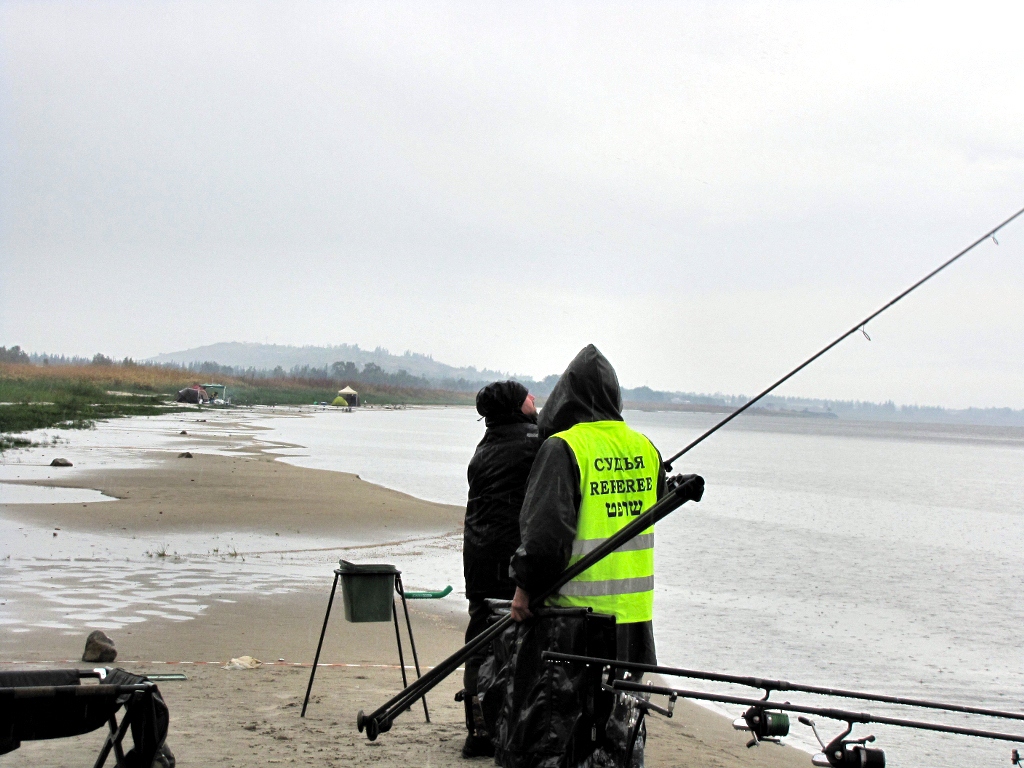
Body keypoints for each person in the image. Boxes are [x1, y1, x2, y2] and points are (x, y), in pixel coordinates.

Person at [509, 345, 669, 765]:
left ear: (566, 396)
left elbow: (545, 539)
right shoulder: (646, 449)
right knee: (622, 734)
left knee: (562, 736)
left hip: (573, 623)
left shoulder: (564, 448)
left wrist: (524, 588)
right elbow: (658, 501)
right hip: (634, 625)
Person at [462, 380, 540, 758]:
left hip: (478, 556)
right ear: (516, 405)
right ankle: (511, 725)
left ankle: (478, 730)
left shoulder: (486, 445)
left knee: (480, 640)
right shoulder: (535, 442)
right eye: (528, 396)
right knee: (520, 642)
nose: (534, 399)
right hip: (511, 560)